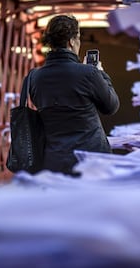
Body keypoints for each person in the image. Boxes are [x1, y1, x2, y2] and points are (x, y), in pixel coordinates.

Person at [28, 14, 120, 176]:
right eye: (78, 38)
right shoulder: (89, 73)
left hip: (54, 161)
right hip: (92, 160)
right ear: (71, 41)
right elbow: (111, 106)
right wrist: (101, 74)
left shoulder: (34, 77)